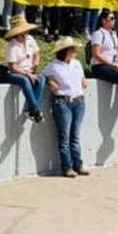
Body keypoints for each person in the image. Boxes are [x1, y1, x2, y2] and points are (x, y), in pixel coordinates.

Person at [43, 36, 89, 177]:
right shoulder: (53, 66)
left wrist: (83, 79)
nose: (74, 52)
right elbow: (42, 76)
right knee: (65, 135)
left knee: (74, 135)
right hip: (63, 101)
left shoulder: (76, 63)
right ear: (65, 51)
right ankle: (67, 166)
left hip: (78, 100)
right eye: (72, 49)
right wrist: (50, 81)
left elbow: (81, 77)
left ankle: (78, 164)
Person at [3, 15, 45, 123]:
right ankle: (35, 109)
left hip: (29, 69)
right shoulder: (12, 46)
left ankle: (32, 108)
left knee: (42, 79)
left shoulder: (30, 39)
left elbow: (36, 54)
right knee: (24, 80)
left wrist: (34, 66)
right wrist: (27, 74)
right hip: (16, 72)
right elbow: (12, 67)